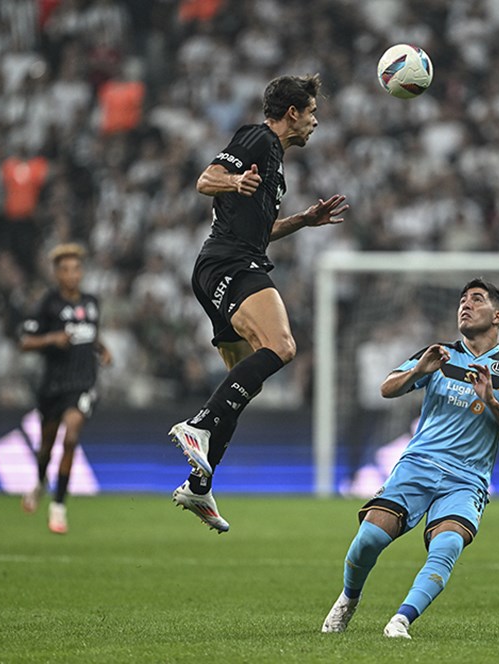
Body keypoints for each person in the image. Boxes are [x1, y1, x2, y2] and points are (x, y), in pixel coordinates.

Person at [168, 74, 348, 533]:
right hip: (230, 265)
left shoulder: (275, 166)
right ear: (292, 113)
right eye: (311, 113)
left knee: (245, 379)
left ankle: (199, 485)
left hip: (225, 264)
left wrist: (303, 221)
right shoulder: (259, 138)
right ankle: (199, 427)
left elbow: (259, 230)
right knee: (283, 346)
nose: (315, 122)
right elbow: (206, 179)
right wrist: (231, 182)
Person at [321, 279, 499, 639]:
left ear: (498, 316)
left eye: (476, 300)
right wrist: (419, 370)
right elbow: (387, 388)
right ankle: (348, 598)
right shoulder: (440, 354)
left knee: (448, 544)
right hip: (419, 464)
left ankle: (401, 620)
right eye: (462, 299)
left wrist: (493, 402)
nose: (465, 305)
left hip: (467, 479)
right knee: (370, 537)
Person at [20, 243, 112, 534]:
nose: (72, 275)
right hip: (53, 384)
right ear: (57, 274)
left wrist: (102, 348)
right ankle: (38, 483)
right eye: (66, 270)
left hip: (83, 383)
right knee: (46, 446)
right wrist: (51, 339)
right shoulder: (47, 304)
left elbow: (89, 334)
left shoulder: (92, 302)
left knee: (70, 437)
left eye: (76, 269)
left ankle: (58, 507)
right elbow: (25, 341)